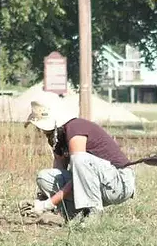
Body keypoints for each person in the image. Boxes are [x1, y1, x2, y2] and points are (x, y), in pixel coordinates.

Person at [24, 92, 135, 222]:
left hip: (118, 183)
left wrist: (48, 204)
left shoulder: (75, 129)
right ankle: (74, 215)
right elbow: (60, 172)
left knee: (79, 159)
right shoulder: (56, 136)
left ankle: (94, 213)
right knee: (44, 177)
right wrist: (41, 199)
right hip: (97, 184)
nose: (41, 130)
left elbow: (79, 174)